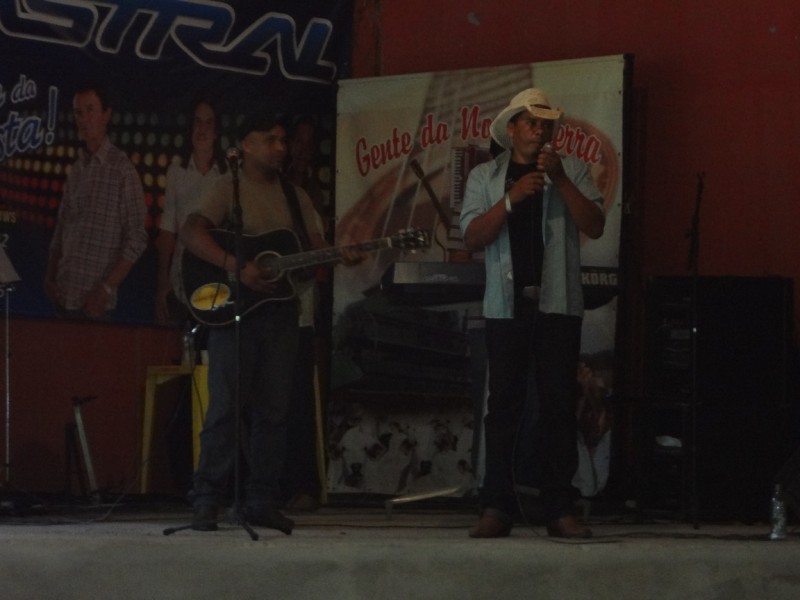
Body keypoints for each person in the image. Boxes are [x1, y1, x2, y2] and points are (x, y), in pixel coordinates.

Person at [180, 111, 362, 533]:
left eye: (283, 140)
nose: (281, 147)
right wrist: (236, 266)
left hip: (281, 315)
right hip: (235, 316)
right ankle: (206, 497)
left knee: (273, 413)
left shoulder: (296, 197)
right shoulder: (225, 188)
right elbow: (190, 233)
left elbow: (313, 247)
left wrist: (340, 253)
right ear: (244, 146)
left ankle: (261, 500)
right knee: (225, 409)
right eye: (270, 139)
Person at [459, 88, 605, 539]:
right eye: (532, 123)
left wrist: (560, 179)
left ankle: (559, 508)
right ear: (513, 129)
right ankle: (496, 505)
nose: (541, 132)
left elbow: (595, 225)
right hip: (506, 307)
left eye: (547, 125)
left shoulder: (572, 169)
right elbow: (471, 237)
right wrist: (511, 199)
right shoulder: (486, 176)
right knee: (503, 406)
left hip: (557, 305)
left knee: (559, 405)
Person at [44, 81, 147, 319]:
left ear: (106, 115)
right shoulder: (77, 169)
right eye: (78, 113)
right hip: (62, 297)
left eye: (90, 110)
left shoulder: (122, 169)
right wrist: (49, 276)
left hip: (95, 304)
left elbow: (137, 238)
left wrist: (105, 289)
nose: (84, 119)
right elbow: (61, 229)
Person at [154, 98, 227, 324]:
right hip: (180, 280)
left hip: (216, 278)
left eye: (208, 123)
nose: (202, 129)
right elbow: (167, 230)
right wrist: (162, 282)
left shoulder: (227, 176)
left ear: (216, 131)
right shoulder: (177, 172)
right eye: (197, 122)